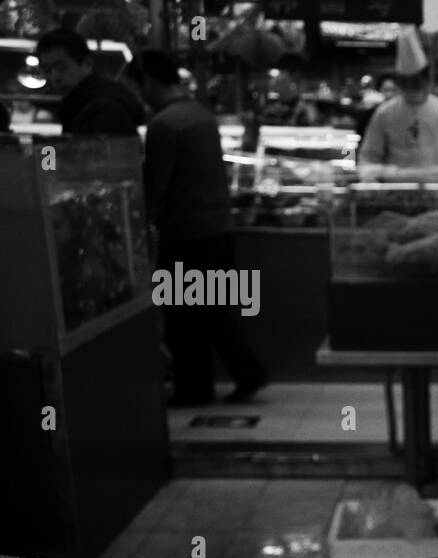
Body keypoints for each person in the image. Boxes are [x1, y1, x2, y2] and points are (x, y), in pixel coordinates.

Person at [124, 49, 267, 407]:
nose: (140, 96)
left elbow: (157, 186)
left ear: (151, 82)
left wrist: (142, 224)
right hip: (216, 231)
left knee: (183, 318)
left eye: (139, 86)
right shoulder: (201, 115)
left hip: (184, 235)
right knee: (215, 310)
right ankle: (246, 374)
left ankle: (195, 389)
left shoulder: (163, 126)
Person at [357, 26, 438, 175]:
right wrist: (369, 181)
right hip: (396, 194)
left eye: (416, 81)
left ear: (426, 79)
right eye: (407, 82)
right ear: (400, 82)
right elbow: (369, 157)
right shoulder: (385, 113)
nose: (411, 86)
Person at [36, 28, 144, 136]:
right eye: (47, 70)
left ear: (87, 64)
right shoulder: (85, 103)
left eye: (61, 67)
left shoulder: (101, 111)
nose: (54, 77)